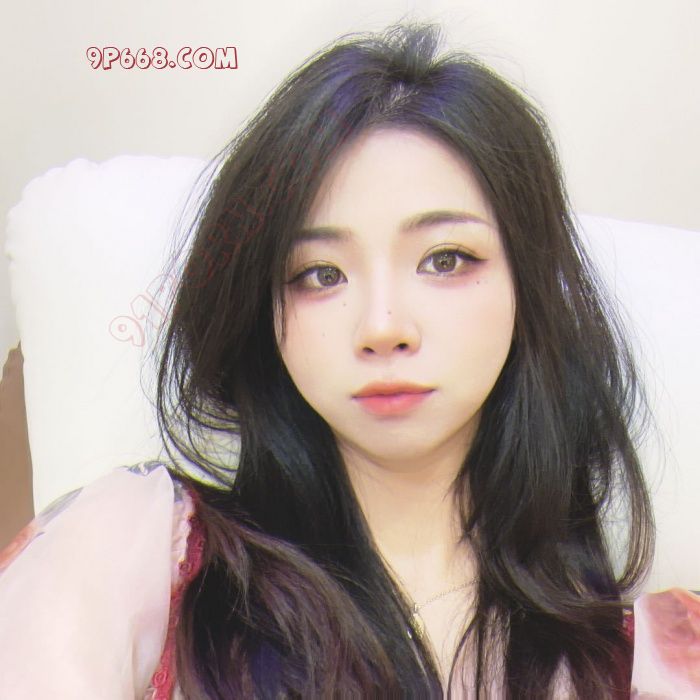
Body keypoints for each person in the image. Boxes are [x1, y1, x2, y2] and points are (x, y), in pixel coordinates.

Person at [0, 22, 698, 699]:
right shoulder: (139, 554)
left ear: (527, 286)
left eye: (445, 260)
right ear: (264, 311)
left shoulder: (647, 660)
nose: (382, 327)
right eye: (320, 274)